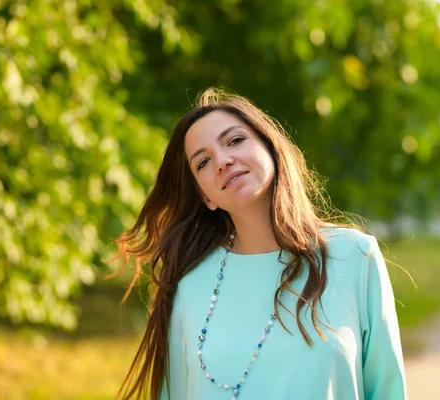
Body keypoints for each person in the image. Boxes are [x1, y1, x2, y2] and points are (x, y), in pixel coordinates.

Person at [109, 88, 407, 400]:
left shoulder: (354, 255)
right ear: (205, 197)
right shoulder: (190, 284)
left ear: (270, 148)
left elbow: (388, 390)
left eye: (234, 140)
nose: (222, 161)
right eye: (203, 162)